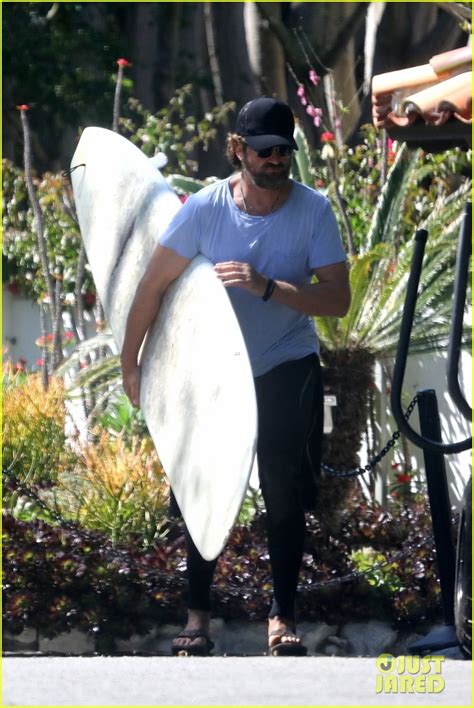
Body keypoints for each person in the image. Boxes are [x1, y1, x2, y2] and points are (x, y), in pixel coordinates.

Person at [121, 96, 351, 656]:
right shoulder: (204, 208)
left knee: (283, 492)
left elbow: (338, 300)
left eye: (284, 152)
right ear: (239, 150)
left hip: (284, 362)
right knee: (200, 488)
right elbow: (151, 288)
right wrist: (132, 362)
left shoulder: (313, 210)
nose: (276, 161)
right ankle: (197, 617)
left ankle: (281, 618)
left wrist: (268, 286)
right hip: (213, 373)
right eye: (265, 152)